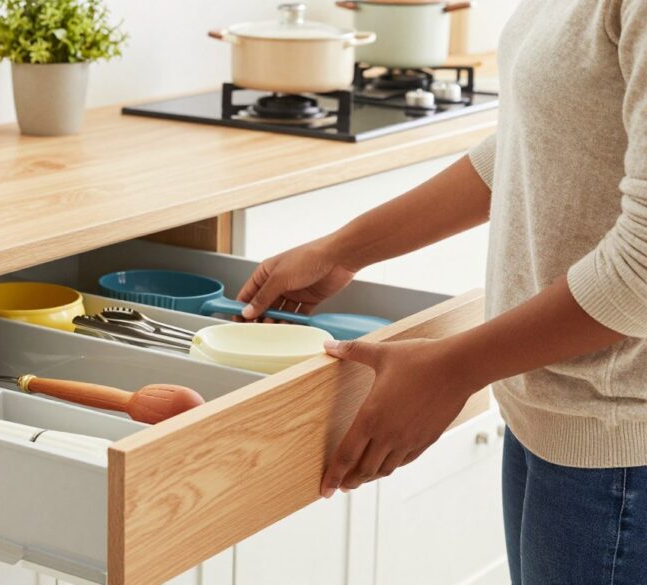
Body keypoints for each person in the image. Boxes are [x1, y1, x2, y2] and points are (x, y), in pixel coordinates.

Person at [236, 2, 647, 583]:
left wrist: (450, 369)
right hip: (551, 411)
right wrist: (342, 249)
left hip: (623, 448)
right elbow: (541, 139)